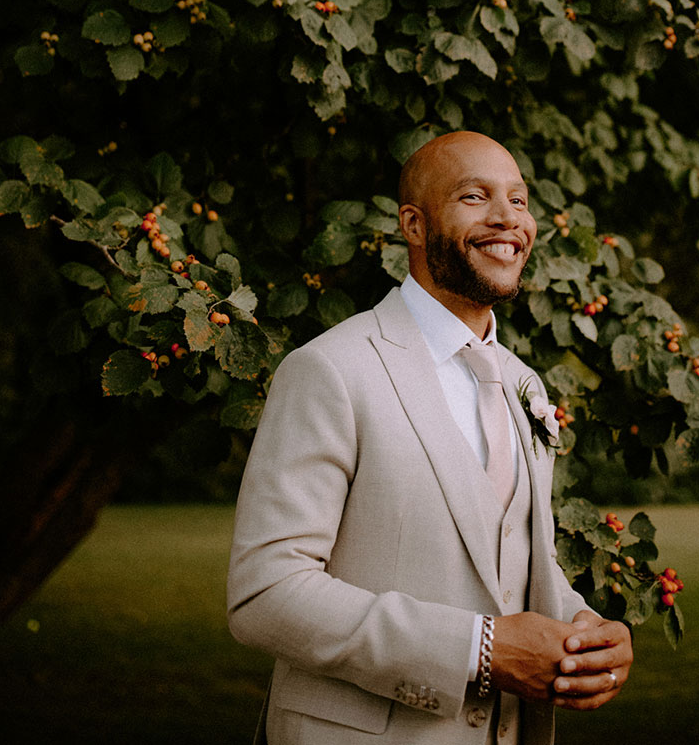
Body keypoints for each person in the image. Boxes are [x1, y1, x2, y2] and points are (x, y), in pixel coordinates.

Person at [227, 130, 633, 745]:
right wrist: (480, 649)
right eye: (475, 196)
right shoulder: (332, 370)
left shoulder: (524, 383)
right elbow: (266, 592)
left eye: (519, 201)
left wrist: (585, 628)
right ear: (413, 225)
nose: (508, 219)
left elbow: (514, 557)